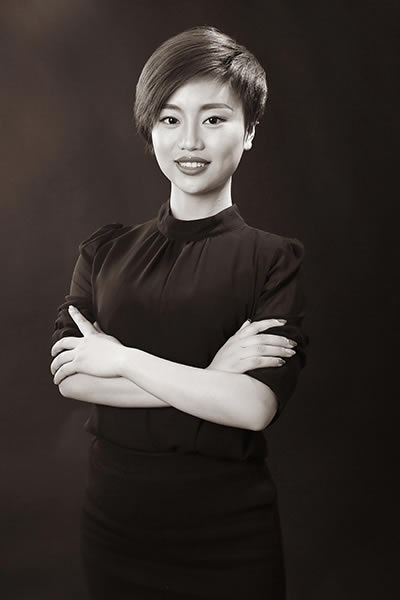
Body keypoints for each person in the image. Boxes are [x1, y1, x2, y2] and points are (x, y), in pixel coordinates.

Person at [50, 25, 309, 600]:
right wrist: (212, 377)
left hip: (228, 532)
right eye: (170, 118)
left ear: (250, 131)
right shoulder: (104, 251)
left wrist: (121, 360)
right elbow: (70, 375)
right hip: (116, 525)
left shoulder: (273, 260)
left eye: (214, 118)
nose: (189, 140)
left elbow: (253, 407)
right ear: (151, 129)